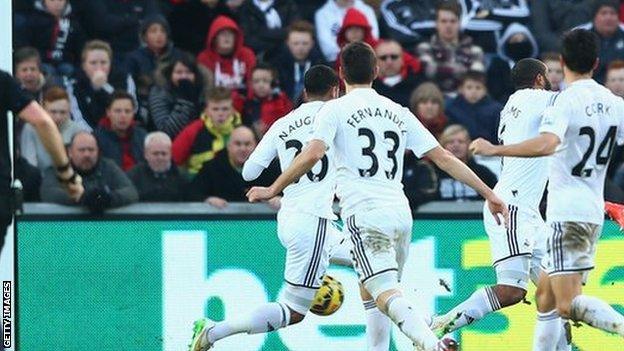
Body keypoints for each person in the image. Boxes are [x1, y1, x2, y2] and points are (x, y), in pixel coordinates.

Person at [245, 42, 508, 351]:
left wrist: (273, 188)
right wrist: (489, 193)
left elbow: (313, 153)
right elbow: (443, 158)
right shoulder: (398, 111)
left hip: (365, 214)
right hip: (401, 213)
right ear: (376, 71)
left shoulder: (335, 109)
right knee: (374, 289)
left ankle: (431, 343)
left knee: (384, 291)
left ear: (341, 74)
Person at [469, 29, 624, 350]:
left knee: (565, 302)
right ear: (597, 62)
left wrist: (495, 150)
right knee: (546, 297)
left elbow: (548, 143)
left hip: (565, 212)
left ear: (563, 62)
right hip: (591, 211)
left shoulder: (563, 101)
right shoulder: (613, 103)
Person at [189, 65, 348, 350]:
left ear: (304, 93)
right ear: (335, 91)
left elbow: (249, 172)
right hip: (314, 221)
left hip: (289, 216)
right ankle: (212, 332)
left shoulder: (283, 124)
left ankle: (423, 328)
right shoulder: (337, 118)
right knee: (293, 311)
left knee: (372, 261)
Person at [432, 58, 570, 351]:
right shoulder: (538, 99)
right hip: (512, 208)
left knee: (556, 294)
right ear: (539, 80)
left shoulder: (515, 103)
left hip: (528, 211)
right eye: (549, 76)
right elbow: (578, 100)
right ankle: (440, 323)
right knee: (512, 291)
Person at [0, 69, 83, 256]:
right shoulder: (2, 81)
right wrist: (67, 175)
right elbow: (43, 122)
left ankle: (5, 287)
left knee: (4, 284)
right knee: (3, 283)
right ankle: (5, 287)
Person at [41, 131, 138, 213]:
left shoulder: (109, 166)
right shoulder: (59, 168)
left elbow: (130, 192)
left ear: (98, 151)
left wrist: (109, 198)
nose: (87, 154)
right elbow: (49, 192)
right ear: (70, 152)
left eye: (91, 150)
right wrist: (81, 197)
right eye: (81, 150)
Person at [186, 125, 278, 207]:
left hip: (262, 223)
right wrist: (207, 200)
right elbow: (191, 193)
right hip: (223, 223)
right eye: (238, 144)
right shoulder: (212, 168)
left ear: (255, 146)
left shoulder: (270, 167)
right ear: (229, 146)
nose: (243, 149)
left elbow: (288, 189)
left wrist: (279, 198)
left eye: (247, 144)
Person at [65, 40, 137, 131]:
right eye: (93, 63)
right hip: (89, 136)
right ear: (84, 65)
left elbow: (131, 108)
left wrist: (104, 87)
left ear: (110, 64)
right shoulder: (74, 84)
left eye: (103, 62)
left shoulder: (124, 79)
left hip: (121, 132)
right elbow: (77, 117)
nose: (99, 67)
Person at [417, 1, 485, 96]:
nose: (448, 25)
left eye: (453, 21)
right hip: (436, 100)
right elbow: (430, 71)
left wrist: (443, 68)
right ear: (436, 23)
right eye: (444, 21)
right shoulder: (425, 47)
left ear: (459, 23)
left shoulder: (475, 50)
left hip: (466, 101)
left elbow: (475, 76)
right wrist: (463, 70)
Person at [172, 87, 242, 174]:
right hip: (199, 182)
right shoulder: (193, 130)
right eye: (215, 109)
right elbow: (174, 159)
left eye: (225, 109)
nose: (220, 113)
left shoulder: (242, 131)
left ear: (232, 110)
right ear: (207, 110)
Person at [13, 0, 86, 83]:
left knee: (69, 70)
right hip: (42, 62)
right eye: (52, 0)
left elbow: (80, 47)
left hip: (66, 61)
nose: (57, 4)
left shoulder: (73, 22)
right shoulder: (33, 20)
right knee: (48, 72)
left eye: (60, 0)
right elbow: (26, 47)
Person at [74, 0, 161, 67]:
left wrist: (122, 22)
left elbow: (153, 21)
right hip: (103, 50)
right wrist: (132, 21)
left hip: (136, 50)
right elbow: (103, 24)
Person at [20, 86, 85, 172]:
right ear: (43, 109)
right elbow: (30, 165)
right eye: (53, 112)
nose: (58, 117)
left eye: (63, 112)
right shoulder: (30, 129)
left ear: (69, 111)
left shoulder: (77, 130)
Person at [148, 53, 208, 138]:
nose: (184, 76)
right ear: (170, 74)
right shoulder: (160, 91)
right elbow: (166, 130)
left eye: (188, 72)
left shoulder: (204, 91)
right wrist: (185, 100)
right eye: (179, 72)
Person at [434, 124, 497, 201]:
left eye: (461, 142)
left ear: (469, 145)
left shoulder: (483, 173)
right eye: (450, 142)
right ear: (443, 146)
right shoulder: (433, 173)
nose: (456, 145)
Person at [124, 14, 184, 93]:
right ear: (144, 36)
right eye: (153, 31)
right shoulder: (134, 58)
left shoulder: (177, 55)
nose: (159, 35)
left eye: (163, 31)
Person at [196, 15, 257, 92]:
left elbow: (253, 81)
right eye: (222, 33)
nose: (227, 37)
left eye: (230, 33)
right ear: (214, 38)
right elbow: (206, 88)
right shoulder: (204, 58)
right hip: (215, 100)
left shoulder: (247, 54)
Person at [271, 20, 327, 102]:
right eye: (295, 43)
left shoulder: (322, 67)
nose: (300, 48)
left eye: (305, 43)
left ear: (312, 43)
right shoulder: (276, 66)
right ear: (287, 43)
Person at [127, 131, 189, 202]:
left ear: (170, 154)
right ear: (146, 154)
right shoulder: (133, 176)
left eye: (164, 153)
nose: (160, 158)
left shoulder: (181, 177)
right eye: (155, 153)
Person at [94, 91, 148, 172]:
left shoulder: (143, 136)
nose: (123, 116)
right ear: (108, 112)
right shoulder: (96, 139)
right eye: (118, 111)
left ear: (133, 113)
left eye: (127, 111)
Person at [486, 23, 539, 104]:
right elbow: (495, 93)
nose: (519, 43)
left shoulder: (538, 66)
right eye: (515, 40)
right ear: (506, 43)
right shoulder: (497, 66)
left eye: (523, 40)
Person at [446, 70, 503, 144]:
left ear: (485, 90)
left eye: (478, 88)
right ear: (461, 89)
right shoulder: (451, 108)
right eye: (469, 88)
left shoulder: (496, 110)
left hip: (488, 150)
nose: (473, 91)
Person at [315, 0, 379, 63]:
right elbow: (329, 50)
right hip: (337, 62)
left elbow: (373, 37)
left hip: (368, 59)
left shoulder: (367, 10)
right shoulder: (322, 13)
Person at [578, 0, 624, 83]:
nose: (608, 17)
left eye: (612, 13)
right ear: (594, 16)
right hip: (589, 86)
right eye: (604, 13)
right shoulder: (580, 35)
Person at [241, 63, 293, 136]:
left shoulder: (282, 101)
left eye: (265, 81)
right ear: (251, 83)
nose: (261, 85)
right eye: (256, 81)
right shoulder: (246, 102)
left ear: (274, 83)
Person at [372, 39, 424, 108]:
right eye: (383, 58)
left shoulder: (419, 85)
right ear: (376, 61)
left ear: (402, 59)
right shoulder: (368, 87)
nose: (389, 62)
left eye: (394, 57)